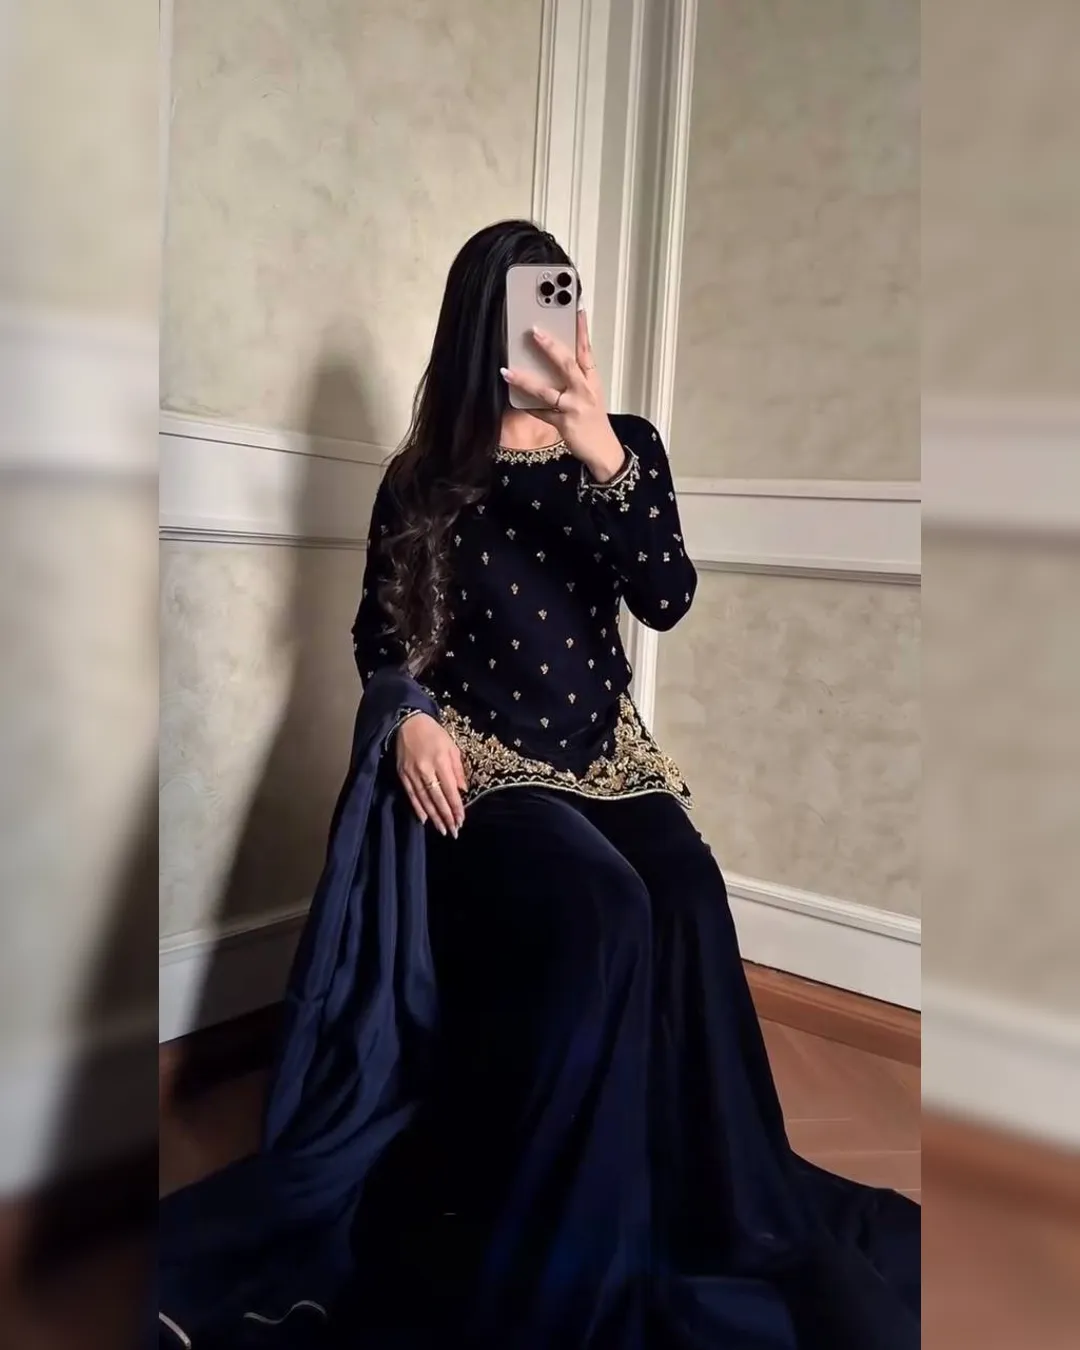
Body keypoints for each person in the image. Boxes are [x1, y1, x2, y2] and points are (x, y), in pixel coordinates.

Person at [345, 219, 920, 1349]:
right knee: (603, 911)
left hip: (608, 757)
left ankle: (715, 1196)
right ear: (478, 327)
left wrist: (597, 447)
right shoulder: (424, 478)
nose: (546, 331)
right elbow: (381, 638)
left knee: (690, 898)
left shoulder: (626, 448)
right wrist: (406, 716)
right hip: (492, 763)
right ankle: (574, 1221)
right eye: (521, 310)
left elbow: (666, 597)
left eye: (558, 303)